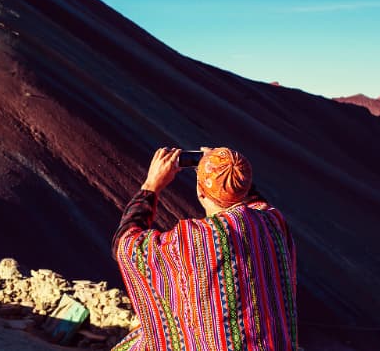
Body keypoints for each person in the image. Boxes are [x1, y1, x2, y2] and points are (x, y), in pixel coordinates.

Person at [112, 147, 297, 351]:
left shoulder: (194, 238)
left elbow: (126, 244)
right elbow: (256, 202)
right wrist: (231, 172)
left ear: (200, 191)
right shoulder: (270, 222)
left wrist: (151, 186)